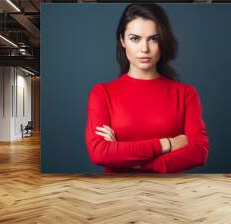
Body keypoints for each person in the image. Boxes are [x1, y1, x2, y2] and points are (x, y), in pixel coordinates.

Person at [85, 3, 209, 173]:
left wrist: (132, 160)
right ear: (122, 40)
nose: (144, 49)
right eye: (135, 38)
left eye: (154, 39)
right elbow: (100, 153)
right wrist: (168, 144)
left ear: (163, 41)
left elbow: (199, 152)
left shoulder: (185, 94)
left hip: (169, 194)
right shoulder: (102, 93)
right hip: (115, 194)